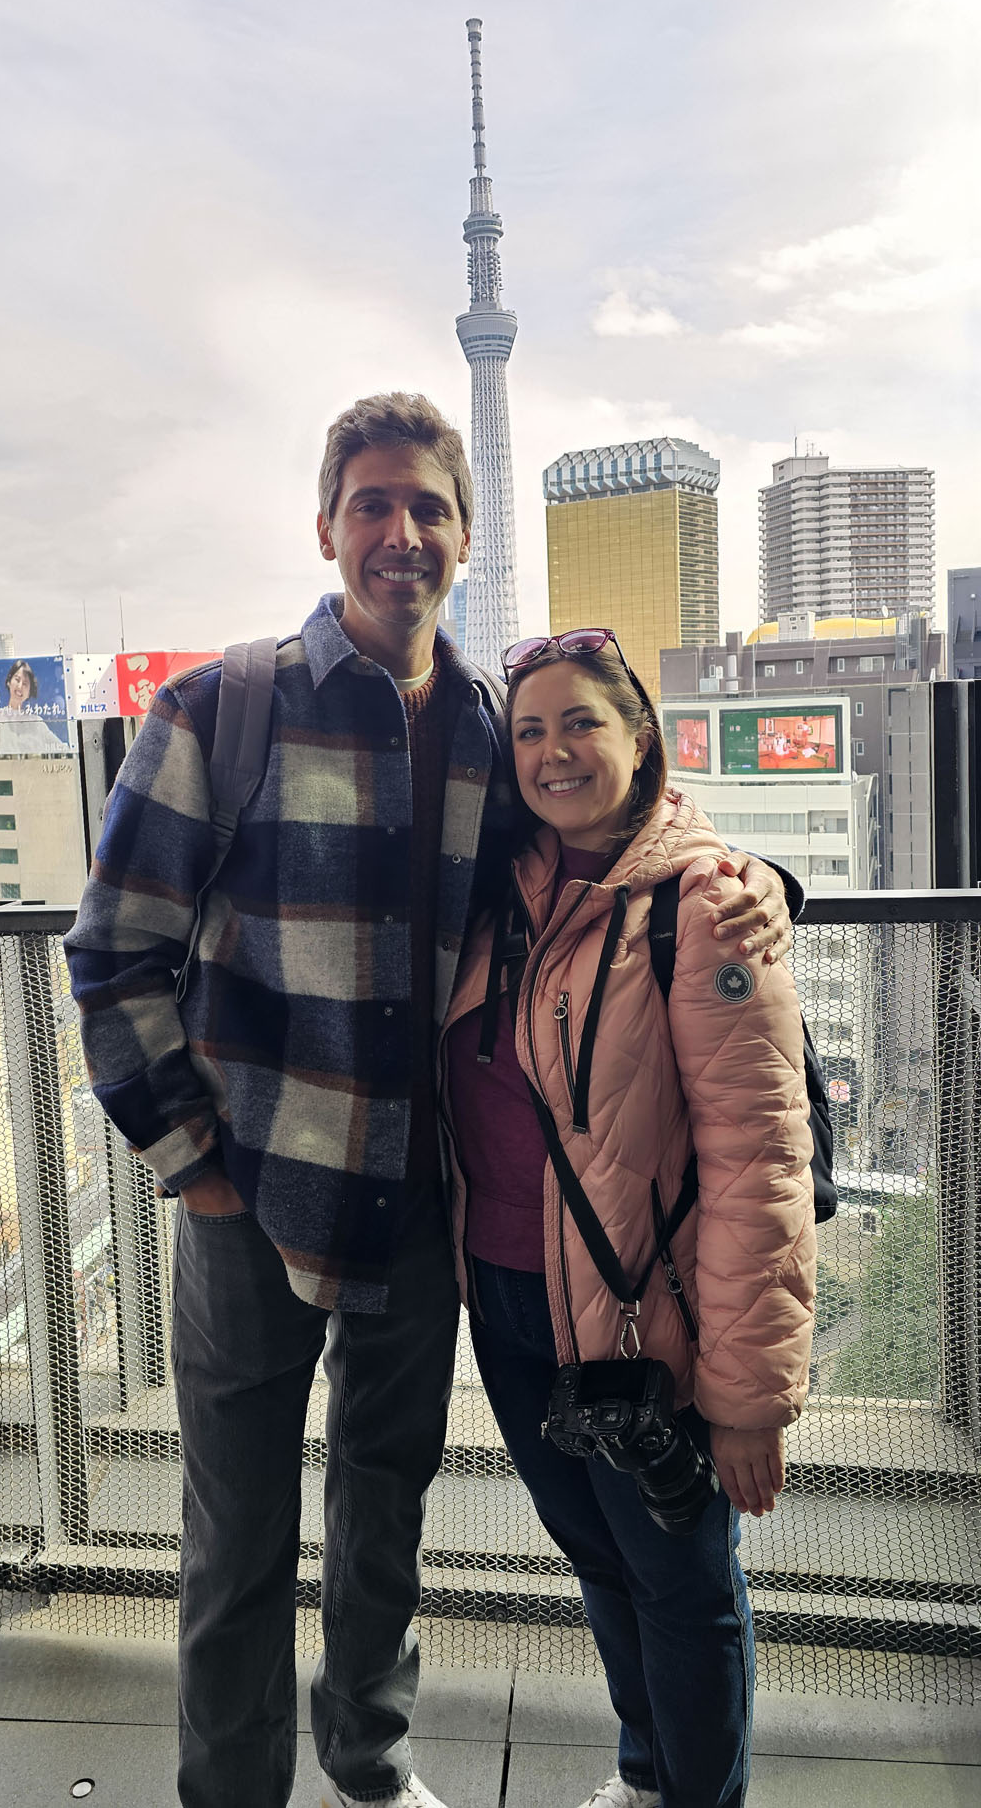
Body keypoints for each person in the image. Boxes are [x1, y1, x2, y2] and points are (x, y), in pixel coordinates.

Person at [64, 395, 795, 1808]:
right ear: (326, 523)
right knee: (237, 1538)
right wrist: (192, 1161)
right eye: (372, 504)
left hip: (417, 1204)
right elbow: (112, 952)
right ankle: (233, 1792)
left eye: (429, 509)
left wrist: (750, 882)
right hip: (248, 1197)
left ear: (464, 534)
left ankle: (370, 1765)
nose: (401, 534)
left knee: (384, 1508)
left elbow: (613, 830)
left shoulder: (482, 726)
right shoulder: (223, 706)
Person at [440, 630, 817, 1808]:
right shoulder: (501, 889)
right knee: (600, 1558)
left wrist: (749, 1397)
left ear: (639, 737)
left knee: (684, 1586)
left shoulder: (703, 910)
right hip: (508, 1298)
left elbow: (759, 1162)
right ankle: (649, 1771)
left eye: (582, 722)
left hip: (646, 1319)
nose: (554, 750)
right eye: (532, 729)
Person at [0, 657, 73, 756]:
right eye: (17, 679)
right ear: (9, 682)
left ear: (29, 692)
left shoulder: (36, 722)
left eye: (25, 684)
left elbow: (63, 750)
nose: (20, 686)